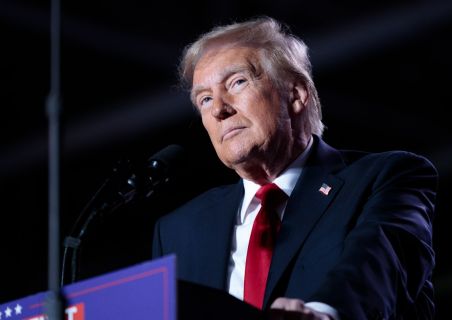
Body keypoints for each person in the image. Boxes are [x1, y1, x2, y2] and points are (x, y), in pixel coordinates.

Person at [152, 17, 437, 320]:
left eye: (237, 82)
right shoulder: (178, 231)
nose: (219, 109)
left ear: (296, 94)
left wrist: (321, 314)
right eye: (205, 99)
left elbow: (379, 260)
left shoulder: (385, 177)